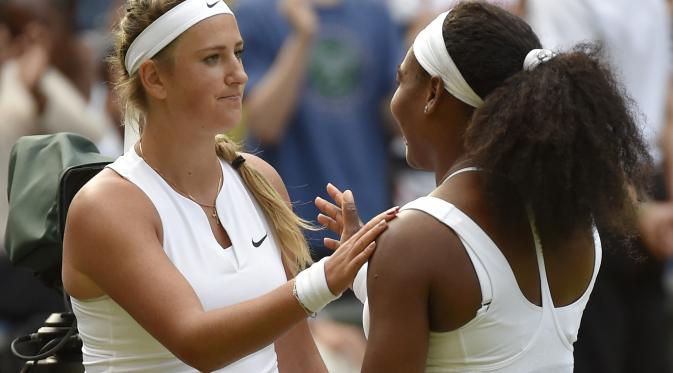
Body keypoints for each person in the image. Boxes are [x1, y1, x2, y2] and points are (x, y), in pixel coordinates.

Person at [316, 2, 652, 371]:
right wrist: (371, 270)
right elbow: (491, 325)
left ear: (433, 93)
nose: (395, 99)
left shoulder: (413, 241)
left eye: (401, 80)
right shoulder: (578, 224)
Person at [61, 1, 395, 372]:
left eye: (238, 53)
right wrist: (324, 280)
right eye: (212, 59)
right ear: (154, 78)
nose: (239, 75)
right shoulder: (106, 205)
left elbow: (297, 358)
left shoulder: (260, 179)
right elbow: (198, 344)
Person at [234, 0, 402, 255]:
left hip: (366, 229)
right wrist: (302, 37)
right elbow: (265, 126)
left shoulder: (375, 12)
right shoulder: (254, 13)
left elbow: (398, 121)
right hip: (286, 236)